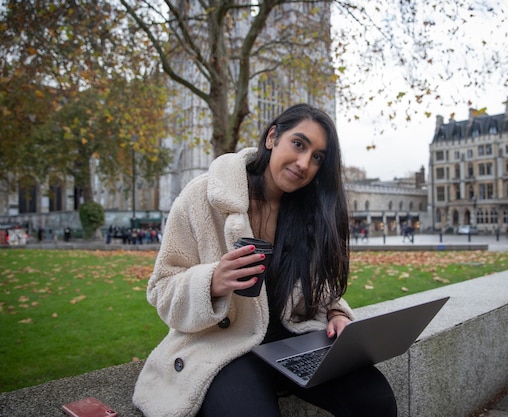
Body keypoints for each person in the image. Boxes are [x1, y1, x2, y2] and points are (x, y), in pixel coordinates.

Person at [133, 104, 397, 417]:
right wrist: (212, 283)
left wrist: (336, 312)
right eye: (298, 144)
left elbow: (315, 286)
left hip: (293, 341)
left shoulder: (308, 210)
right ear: (272, 137)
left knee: (376, 400)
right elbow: (162, 288)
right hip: (224, 347)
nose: (303, 163)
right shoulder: (203, 196)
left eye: (317, 157)